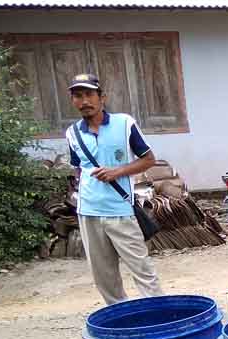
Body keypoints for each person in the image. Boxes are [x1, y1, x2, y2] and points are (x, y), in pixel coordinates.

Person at [65, 73, 162, 305]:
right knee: (104, 277)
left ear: (102, 98)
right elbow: (78, 169)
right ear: (73, 101)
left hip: (121, 211)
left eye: (89, 94)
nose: (84, 100)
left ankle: (161, 317)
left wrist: (116, 172)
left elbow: (148, 159)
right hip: (88, 213)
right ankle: (121, 322)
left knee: (143, 270)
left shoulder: (124, 124)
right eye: (78, 96)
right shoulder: (72, 133)